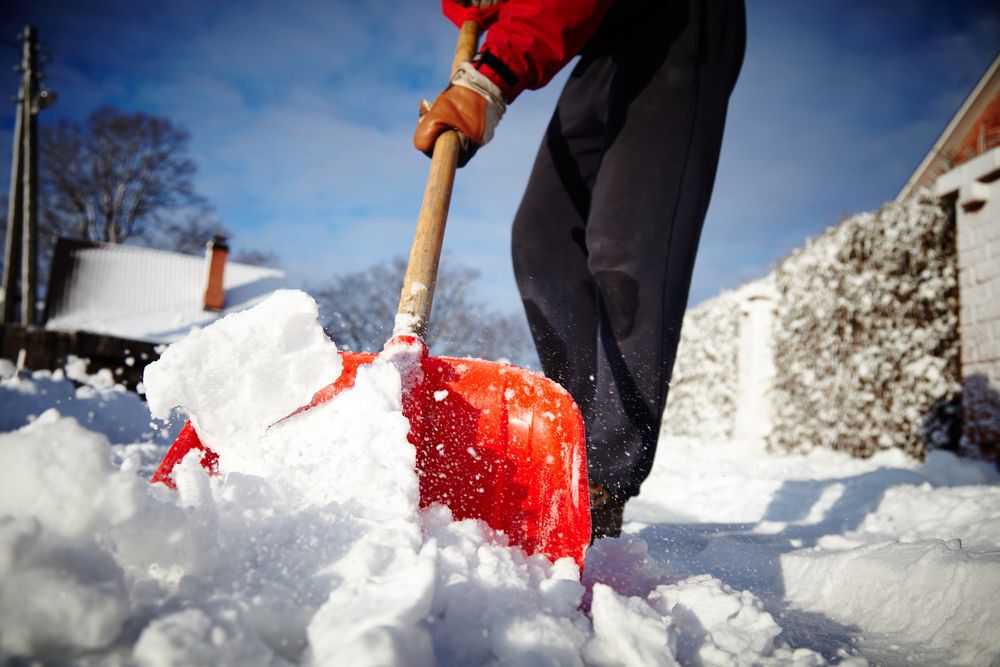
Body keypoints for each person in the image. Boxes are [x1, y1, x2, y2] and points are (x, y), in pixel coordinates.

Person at [414, 0, 746, 539]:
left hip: (679, 22)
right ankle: (573, 444)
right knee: (542, 241)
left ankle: (602, 479)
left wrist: (490, 79)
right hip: (606, 40)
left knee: (625, 243)